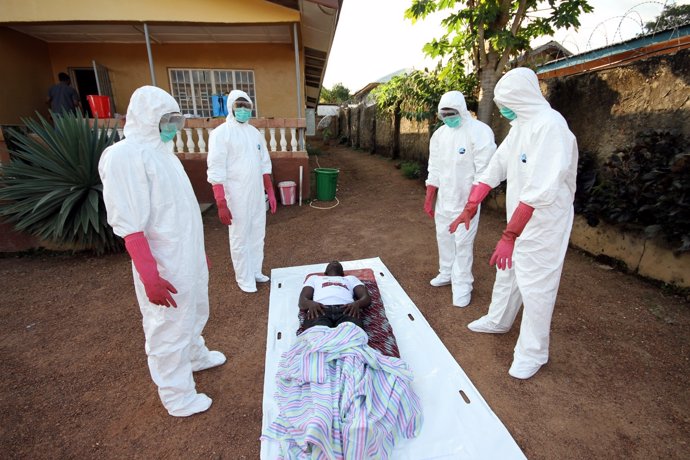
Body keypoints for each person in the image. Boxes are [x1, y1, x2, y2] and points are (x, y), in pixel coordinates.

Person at [99, 86, 226, 417]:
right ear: (146, 118)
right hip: (163, 262)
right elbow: (129, 220)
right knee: (167, 326)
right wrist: (148, 272)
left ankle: (195, 356)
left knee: (195, 310)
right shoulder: (125, 156)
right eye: (166, 120)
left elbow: (179, 212)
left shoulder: (164, 155)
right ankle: (177, 394)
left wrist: (198, 253)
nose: (172, 127)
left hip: (185, 256)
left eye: (176, 120)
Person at [449, 67, 578, 379]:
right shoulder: (521, 126)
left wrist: (509, 235)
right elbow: (496, 167)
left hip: (544, 223)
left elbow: (540, 191)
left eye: (506, 102)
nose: (503, 108)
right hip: (521, 218)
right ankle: (499, 319)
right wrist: (470, 206)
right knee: (507, 272)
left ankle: (534, 352)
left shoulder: (551, 127)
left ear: (521, 98)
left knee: (536, 285)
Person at [424, 90, 496, 307]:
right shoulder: (439, 135)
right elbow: (434, 167)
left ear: (462, 110)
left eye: (452, 112)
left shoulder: (479, 132)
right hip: (444, 200)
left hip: (467, 201)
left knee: (463, 243)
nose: (448, 117)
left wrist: (471, 205)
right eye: (443, 114)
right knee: (443, 237)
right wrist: (430, 197)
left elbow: (485, 171)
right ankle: (446, 272)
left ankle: (463, 284)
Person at [207, 90, 277, 293]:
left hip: (255, 194)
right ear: (231, 107)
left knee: (257, 234)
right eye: (240, 106)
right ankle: (244, 278)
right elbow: (216, 169)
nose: (244, 111)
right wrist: (220, 201)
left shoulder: (254, 133)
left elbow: (264, 164)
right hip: (235, 195)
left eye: (247, 107)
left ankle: (255, 270)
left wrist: (270, 192)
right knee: (240, 237)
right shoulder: (221, 134)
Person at [298, 261, 371, 330]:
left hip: (347, 310)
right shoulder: (315, 278)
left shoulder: (350, 278)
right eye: (331, 262)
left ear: (343, 274)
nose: (335, 261)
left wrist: (357, 304)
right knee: (317, 338)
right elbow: (302, 301)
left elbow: (366, 298)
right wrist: (310, 304)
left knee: (353, 338)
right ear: (325, 273)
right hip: (319, 310)